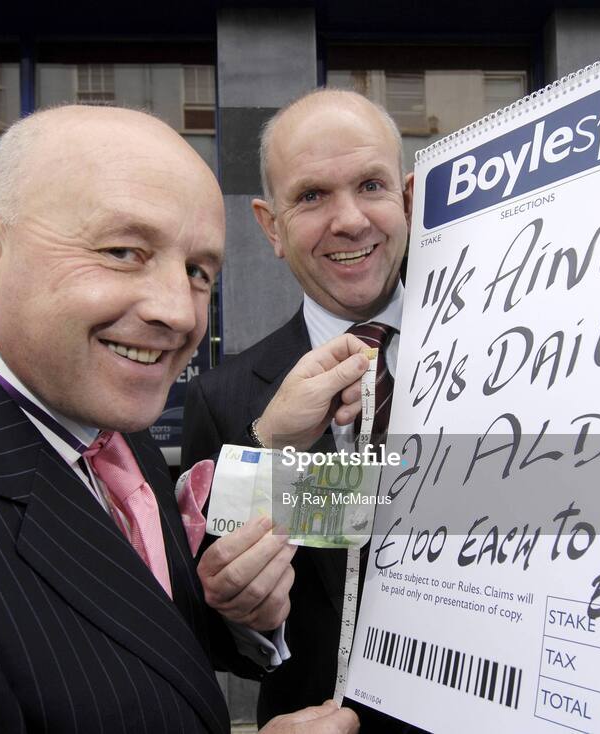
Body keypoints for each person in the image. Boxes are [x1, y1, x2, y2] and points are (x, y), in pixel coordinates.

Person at [0, 105, 363, 734]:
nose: (179, 313)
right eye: (124, 251)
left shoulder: (104, 410)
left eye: (197, 272)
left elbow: (144, 646)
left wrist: (237, 609)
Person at [182, 89, 414, 728]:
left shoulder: (511, 358)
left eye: (371, 184)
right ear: (270, 225)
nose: (348, 221)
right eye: (311, 196)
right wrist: (243, 613)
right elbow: (220, 635)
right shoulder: (226, 403)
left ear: (408, 198)